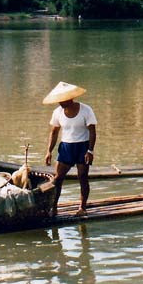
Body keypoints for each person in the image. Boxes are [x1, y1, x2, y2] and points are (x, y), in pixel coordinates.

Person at [43, 81, 97, 216]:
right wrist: (49, 151)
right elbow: (54, 132)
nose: (60, 102)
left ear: (71, 97)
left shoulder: (86, 110)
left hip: (82, 146)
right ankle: (53, 208)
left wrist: (90, 150)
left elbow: (92, 131)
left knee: (82, 176)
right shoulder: (57, 112)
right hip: (66, 147)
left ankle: (82, 208)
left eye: (63, 99)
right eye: (59, 100)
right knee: (58, 179)